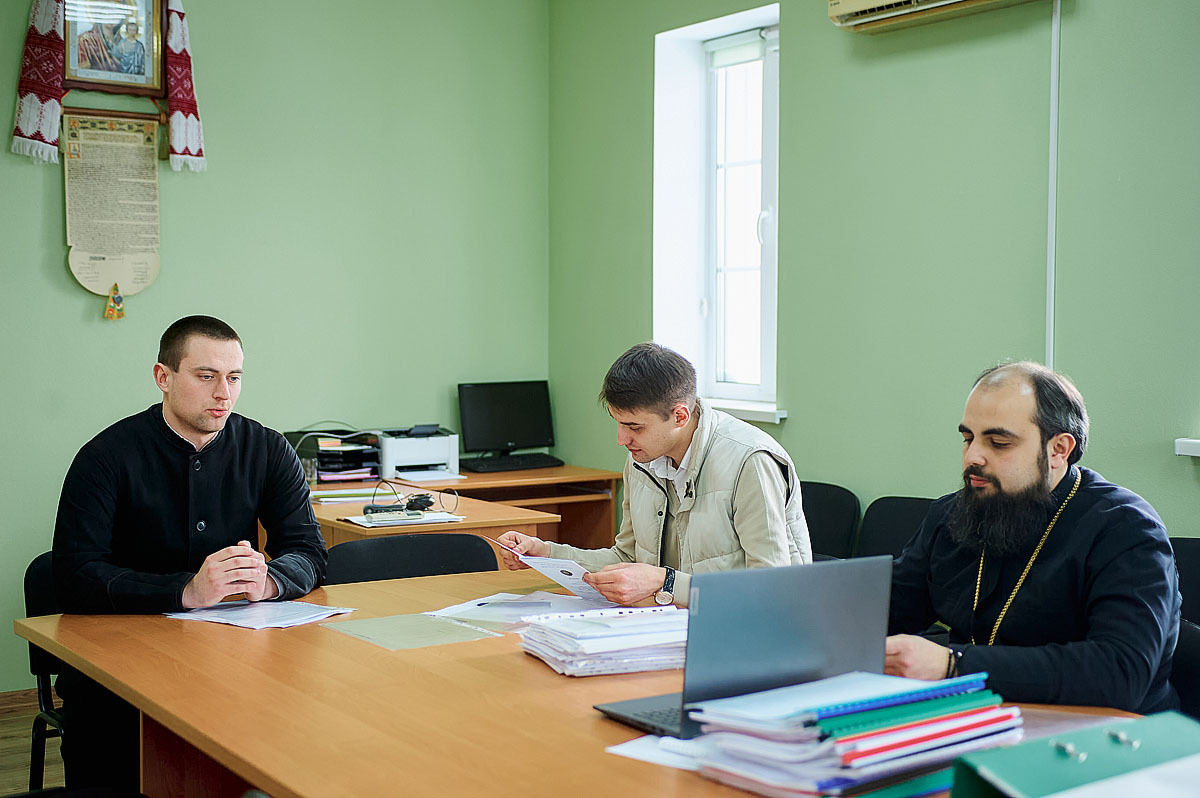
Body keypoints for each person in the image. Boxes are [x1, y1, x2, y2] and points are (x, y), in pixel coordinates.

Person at [52, 315, 328, 789]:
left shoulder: (268, 449)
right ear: (163, 377)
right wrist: (185, 591)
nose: (224, 393)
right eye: (206, 376)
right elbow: (74, 575)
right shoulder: (106, 456)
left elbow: (309, 551)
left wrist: (270, 580)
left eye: (234, 377)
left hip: (237, 665)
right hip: (122, 672)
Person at [886, 361, 1179, 714]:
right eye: (968, 438)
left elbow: (1119, 673)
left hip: (1104, 731)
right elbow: (889, 609)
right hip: (977, 716)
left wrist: (954, 665)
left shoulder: (1125, 528)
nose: (972, 456)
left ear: (1058, 450)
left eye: (998, 443)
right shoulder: (953, 513)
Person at [498, 342, 811, 606]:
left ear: (680, 416)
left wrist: (666, 582)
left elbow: (772, 587)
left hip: (751, 631)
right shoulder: (642, 459)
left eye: (634, 427)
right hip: (673, 625)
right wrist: (546, 554)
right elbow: (628, 558)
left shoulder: (750, 461)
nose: (621, 439)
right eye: (618, 423)